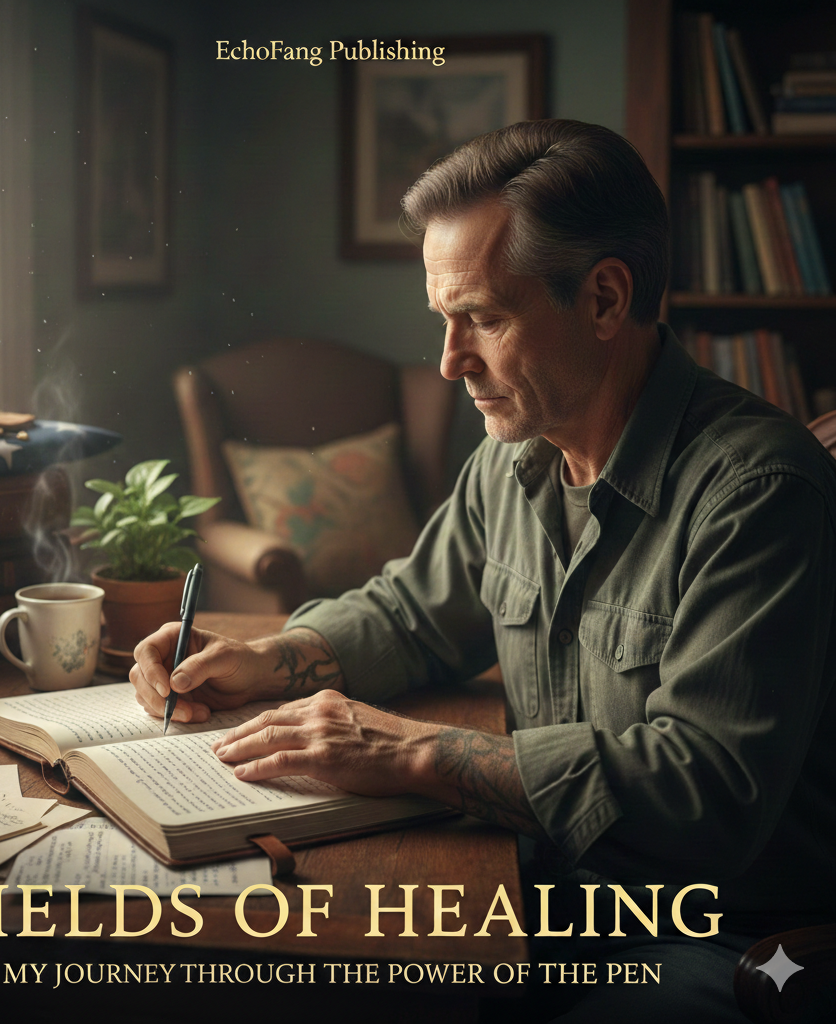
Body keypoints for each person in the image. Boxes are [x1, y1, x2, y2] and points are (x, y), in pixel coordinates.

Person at [131, 120, 835, 1020]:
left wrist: (416, 752)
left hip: (730, 939)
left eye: (486, 320)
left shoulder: (758, 493)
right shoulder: (516, 456)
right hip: (547, 886)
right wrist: (273, 657)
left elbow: (706, 791)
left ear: (606, 300)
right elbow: (413, 612)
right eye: (444, 320)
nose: (450, 362)